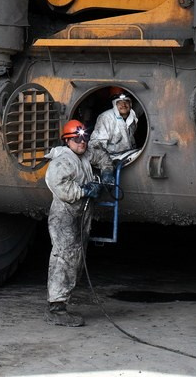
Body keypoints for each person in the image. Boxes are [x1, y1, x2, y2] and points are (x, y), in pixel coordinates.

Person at [43, 119, 101, 326]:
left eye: (84, 137)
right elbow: (58, 185)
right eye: (76, 139)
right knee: (64, 257)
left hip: (79, 215)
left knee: (75, 257)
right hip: (65, 215)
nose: (82, 142)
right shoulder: (63, 160)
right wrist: (84, 191)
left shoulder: (83, 156)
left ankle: (61, 302)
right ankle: (56, 308)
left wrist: (108, 168)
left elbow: (100, 154)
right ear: (67, 141)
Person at [90, 90, 139, 165]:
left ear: (130, 104)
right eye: (119, 102)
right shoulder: (106, 117)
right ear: (114, 104)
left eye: (126, 101)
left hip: (128, 154)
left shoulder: (132, 116)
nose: (124, 104)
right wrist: (106, 162)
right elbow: (96, 144)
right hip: (111, 157)